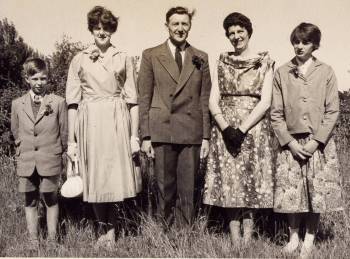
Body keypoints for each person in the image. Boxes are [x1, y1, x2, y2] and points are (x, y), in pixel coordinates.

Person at [65, 6, 141, 247]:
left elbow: (133, 100)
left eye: (106, 27)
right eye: (97, 27)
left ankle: (113, 231)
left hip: (117, 119)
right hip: (91, 122)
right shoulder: (79, 58)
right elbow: (72, 103)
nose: (101, 32)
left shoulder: (123, 57)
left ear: (112, 30)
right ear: (91, 29)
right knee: (96, 177)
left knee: (113, 176)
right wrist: (72, 141)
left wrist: (133, 136)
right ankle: (102, 230)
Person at [271, 22, 343, 258]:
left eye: (305, 42)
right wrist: (290, 143)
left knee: (316, 191)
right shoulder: (282, 72)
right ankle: (293, 237)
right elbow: (276, 113)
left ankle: (310, 238)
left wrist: (316, 142)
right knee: (293, 192)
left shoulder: (326, 71)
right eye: (296, 41)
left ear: (315, 45)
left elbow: (333, 111)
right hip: (291, 143)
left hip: (317, 144)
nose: (299, 46)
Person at [203, 12, 275, 244]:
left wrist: (242, 129)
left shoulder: (265, 62)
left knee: (250, 180)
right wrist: (226, 128)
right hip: (225, 129)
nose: (236, 37)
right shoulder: (222, 60)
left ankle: (248, 237)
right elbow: (213, 100)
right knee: (229, 181)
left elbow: (265, 101)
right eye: (231, 33)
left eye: (239, 31)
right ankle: (234, 238)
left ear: (248, 32)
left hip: (253, 129)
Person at [138, 6, 211, 227]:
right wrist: (146, 136)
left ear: (190, 26)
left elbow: (204, 99)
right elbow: (144, 97)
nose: (180, 28)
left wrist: (206, 136)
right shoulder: (151, 55)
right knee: (164, 187)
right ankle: (163, 234)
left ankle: (184, 235)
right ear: (167, 26)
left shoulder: (201, 57)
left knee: (187, 189)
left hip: (190, 131)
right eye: (175, 24)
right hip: (162, 130)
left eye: (184, 24)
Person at [11, 57, 68, 246]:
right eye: (34, 78)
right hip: (26, 160)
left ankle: (52, 240)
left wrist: (60, 153)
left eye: (43, 78)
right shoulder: (17, 104)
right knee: (30, 201)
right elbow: (15, 130)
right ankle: (33, 239)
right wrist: (22, 148)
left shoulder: (58, 102)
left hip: (50, 159)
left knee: (50, 198)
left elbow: (64, 131)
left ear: (48, 78)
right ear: (27, 79)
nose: (39, 83)